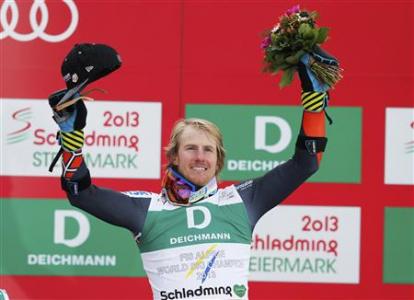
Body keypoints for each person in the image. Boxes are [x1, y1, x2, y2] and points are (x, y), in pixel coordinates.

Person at [49, 43, 337, 300]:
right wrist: (72, 137)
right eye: (191, 149)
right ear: (173, 156)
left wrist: (313, 101)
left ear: (218, 159)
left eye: (208, 149)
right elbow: (81, 194)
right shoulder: (146, 210)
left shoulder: (242, 201)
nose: (200, 157)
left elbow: (306, 162)